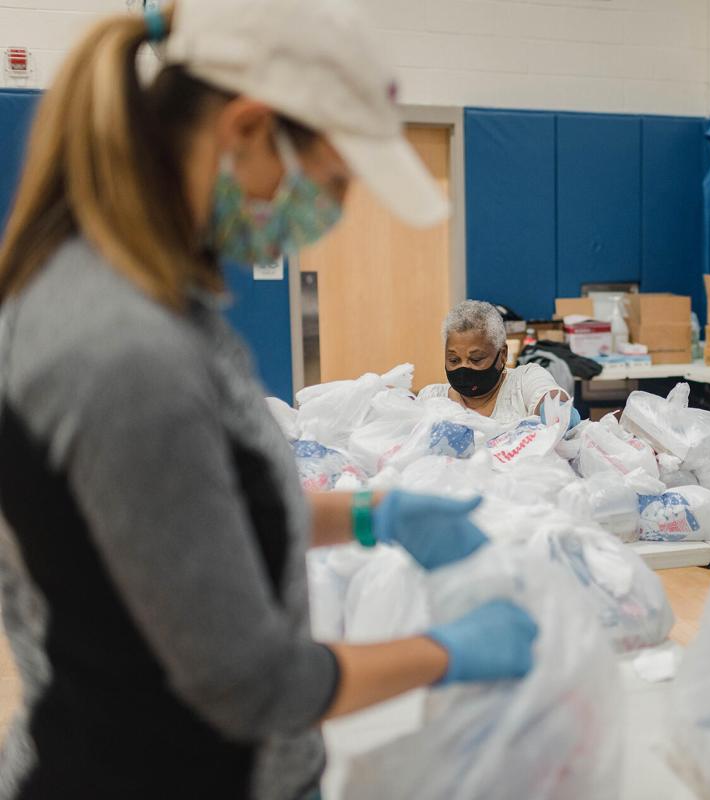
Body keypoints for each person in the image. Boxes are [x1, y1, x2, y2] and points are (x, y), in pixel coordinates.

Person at [0, 3, 538, 798]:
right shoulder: (123, 353)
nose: (329, 213)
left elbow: (189, 513)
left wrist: (369, 513)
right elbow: (248, 683)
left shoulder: (154, 303)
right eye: (328, 183)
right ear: (248, 130)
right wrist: (449, 651)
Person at [420, 299, 581, 427]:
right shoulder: (433, 399)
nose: (464, 367)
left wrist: (557, 411)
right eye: (454, 360)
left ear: (502, 354)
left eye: (476, 359)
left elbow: (548, 395)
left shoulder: (522, 382)